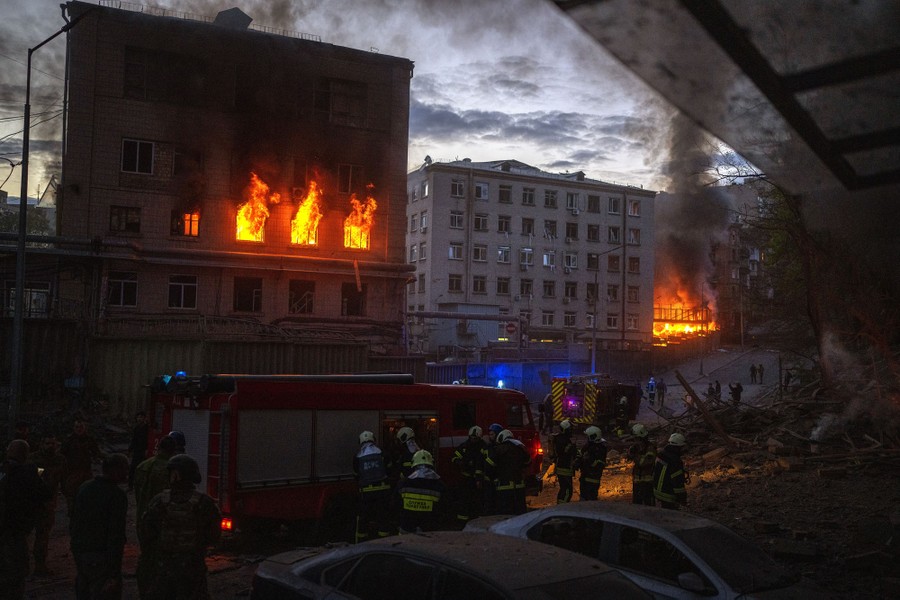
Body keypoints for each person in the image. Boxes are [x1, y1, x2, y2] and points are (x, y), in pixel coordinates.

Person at [139, 454, 221, 600]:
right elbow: (214, 536)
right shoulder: (204, 503)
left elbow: (147, 533)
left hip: (164, 568)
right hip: (193, 567)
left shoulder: (159, 501)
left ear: (174, 474)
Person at [70, 453, 130, 600]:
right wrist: (114, 572)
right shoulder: (116, 495)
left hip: (82, 553)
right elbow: (115, 534)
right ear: (116, 471)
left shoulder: (85, 487)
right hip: (102, 557)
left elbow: (74, 522)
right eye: (124, 469)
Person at [0, 439, 52, 598]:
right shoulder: (27, 473)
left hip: (8, 527)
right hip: (15, 529)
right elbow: (45, 494)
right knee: (16, 571)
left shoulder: (5, 471)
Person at [133, 435, 178, 597]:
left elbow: (138, 494)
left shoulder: (142, 466)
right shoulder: (170, 470)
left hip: (142, 520)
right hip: (161, 524)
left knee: (146, 557)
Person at [30, 432, 68, 577]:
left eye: (53, 444)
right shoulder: (33, 459)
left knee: (43, 534)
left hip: (48, 503)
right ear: (41, 444)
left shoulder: (60, 460)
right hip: (32, 502)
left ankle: (40, 565)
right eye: (47, 443)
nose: (50, 446)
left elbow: (64, 480)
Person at [353, 431, 392, 543]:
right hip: (383, 491)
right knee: (383, 517)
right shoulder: (382, 453)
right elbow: (389, 469)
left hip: (366, 493)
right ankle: (384, 543)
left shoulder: (357, 457)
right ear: (373, 440)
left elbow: (356, 475)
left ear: (361, 441)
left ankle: (360, 543)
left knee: (363, 519)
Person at [61, 416, 103, 516]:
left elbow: (97, 453)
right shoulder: (69, 441)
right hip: (72, 473)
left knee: (87, 497)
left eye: (81, 427)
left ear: (85, 428)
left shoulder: (90, 440)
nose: (79, 429)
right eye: (77, 427)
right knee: (72, 499)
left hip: (86, 472)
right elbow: (61, 455)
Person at [396, 450, 444, 533]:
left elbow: (395, 504)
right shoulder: (439, 485)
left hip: (406, 530)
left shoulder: (403, 483)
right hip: (429, 531)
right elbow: (444, 508)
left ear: (414, 465)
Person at [484, 429, 531, 515]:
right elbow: (528, 462)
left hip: (503, 487)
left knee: (505, 513)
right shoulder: (520, 448)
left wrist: (493, 478)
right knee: (520, 513)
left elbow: (488, 466)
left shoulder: (498, 449)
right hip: (519, 486)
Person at [451, 425, 487, 526]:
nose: (473, 439)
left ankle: (476, 523)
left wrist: (479, 479)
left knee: (477, 502)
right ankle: (461, 523)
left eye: (475, 438)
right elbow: (454, 457)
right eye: (471, 437)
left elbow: (482, 464)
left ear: (479, 438)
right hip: (465, 479)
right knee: (463, 501)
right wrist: (460, 462)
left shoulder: (484, 447)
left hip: (478, 480)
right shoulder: (464, 446)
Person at [653, 432, 688, 509]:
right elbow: (677, 482)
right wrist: (682, 499)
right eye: (682, 447)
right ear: (678, 447)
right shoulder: (675, 461)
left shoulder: (661, 454)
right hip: (668, 495)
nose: (683, 450)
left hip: (657, 491)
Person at [550, 419, 578, 504]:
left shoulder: (560, 438)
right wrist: (573, 449)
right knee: (567, 491)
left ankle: (560, 506)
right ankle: (562, 508)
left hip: (562, 467)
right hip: (564, 468)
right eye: (570, 429)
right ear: (566, 430)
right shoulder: (563, 440)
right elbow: (565, 453)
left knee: (564, 489)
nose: (571, 431)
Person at [627, 424, 656, 506]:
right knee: (637, 505)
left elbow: (644, 463)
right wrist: (630, 453)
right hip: (637, 481)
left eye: (635, 438)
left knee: (649, 506)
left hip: (648, 483)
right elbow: (629, 457)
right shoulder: (636, 447)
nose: (634, 440)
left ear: (640, 437)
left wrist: (634, 455)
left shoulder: (650, 448)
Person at [578, 426, 608, 502]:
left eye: (588, 437)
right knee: (583, 499)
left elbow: (598, 464)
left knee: (591, 501)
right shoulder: (588, 446)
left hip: (593, 480)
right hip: (584, 478)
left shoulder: (600, 449)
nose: (587, 439)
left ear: (593, 436)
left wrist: (586, 460)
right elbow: (581, 457)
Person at [128, 411, 150, 491]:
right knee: (132, 468)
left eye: (141, 417)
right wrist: (130, 450)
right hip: (137, 451)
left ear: (144, 418)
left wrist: (147, 449)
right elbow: (134, 440)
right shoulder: (136, 428)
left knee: (143, 469)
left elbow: (148, 440)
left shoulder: (147, 428)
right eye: (138, 417)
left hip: (143, 451)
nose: (139, 419)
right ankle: (130, 485)